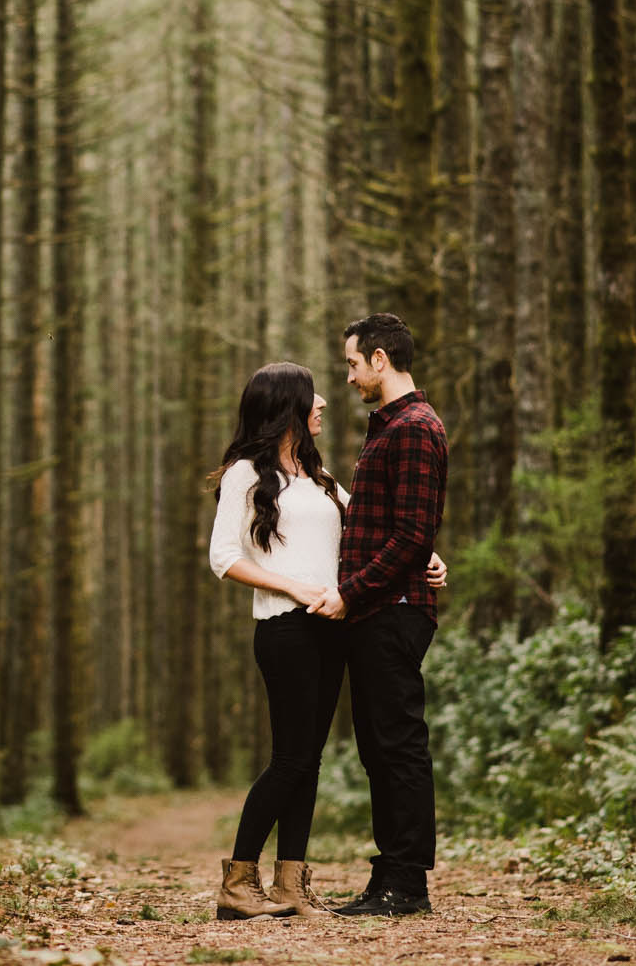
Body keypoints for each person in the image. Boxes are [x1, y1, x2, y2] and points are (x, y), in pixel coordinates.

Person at [206, 361, 447, 922]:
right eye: (311, 397)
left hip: (332, 628)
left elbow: (376, 526)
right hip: (285, 628)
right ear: (286, 406)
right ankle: (239, 881)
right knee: (289, 759)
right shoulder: (246, 473)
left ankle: (291, 884)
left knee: (308, 762)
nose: (322, 405)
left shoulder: (320, 477)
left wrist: (427, 558)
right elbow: (224, 558)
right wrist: (291, 585)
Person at [308, 312, 448, 917]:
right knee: (379, 746)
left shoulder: (415, 426)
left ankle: (407, 884)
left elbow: (413, 534)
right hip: (378, 608)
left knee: (397, 745)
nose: (348, 376)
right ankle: (388, 876)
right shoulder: (388, 427)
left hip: (391, 609)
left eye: (352, 363)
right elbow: (396, 524)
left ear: (381, 359)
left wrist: (351, 592)